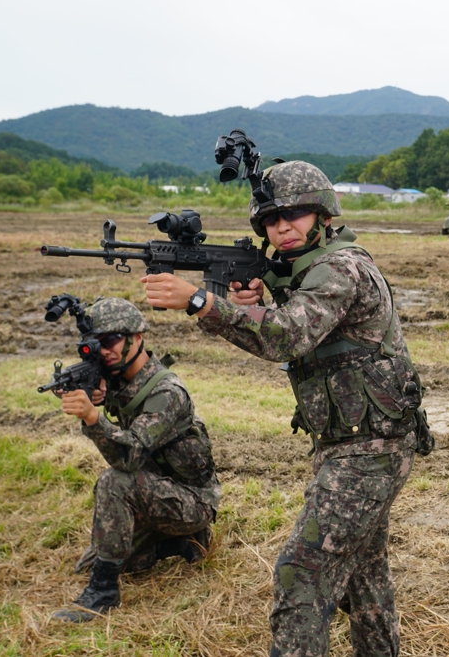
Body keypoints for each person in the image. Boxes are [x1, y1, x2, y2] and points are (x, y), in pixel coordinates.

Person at [141, 160, 429, 657]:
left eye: (294, 215)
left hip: (369, 451)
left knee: (301, 573)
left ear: (322, 215)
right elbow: (291, 324)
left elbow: (286, 336)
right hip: (355, 444)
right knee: (363, 575)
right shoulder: (310, 271)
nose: (282, 227)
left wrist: (199, 303)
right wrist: (252, 301)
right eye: (272, 221)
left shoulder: (339, 269)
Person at [53, 297, 220, 623]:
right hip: (155, 488)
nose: (104, 350)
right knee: (97, 559)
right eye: (95, 343)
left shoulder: (166, 392)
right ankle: (175, 544)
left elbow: (127, 457)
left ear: (137, 337)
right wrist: (95, 393)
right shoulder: (117, 377)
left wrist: (92, 417)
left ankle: (103, 594)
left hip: (193, 500)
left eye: (111, 340)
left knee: (114, 482)